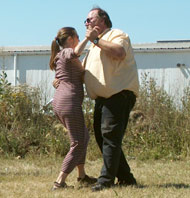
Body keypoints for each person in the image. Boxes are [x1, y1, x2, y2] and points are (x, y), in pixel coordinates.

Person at [83, 7, 140, 191]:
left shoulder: (116, 34)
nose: (86, 23)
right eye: (85, 21)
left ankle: (105, 181)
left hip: (118, 95)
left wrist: (97, 40)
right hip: (102, 99)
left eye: (90, 19)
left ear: (103, 20)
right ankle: (126, 178)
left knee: (110, 137)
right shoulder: (92, 45)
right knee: (103, 138)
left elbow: (119, 52)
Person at [49, 27, 97, 190]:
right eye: (77, 36)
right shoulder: (66, 52)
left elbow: (61, 75)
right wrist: (88, 39)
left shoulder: (60, 56)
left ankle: (82, 175)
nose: (78, 38)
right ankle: (60, 181)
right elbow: (75, 53)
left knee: (83, 137)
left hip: (61, 102)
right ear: (70, 38)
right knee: (77, 142)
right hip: (69, 103)